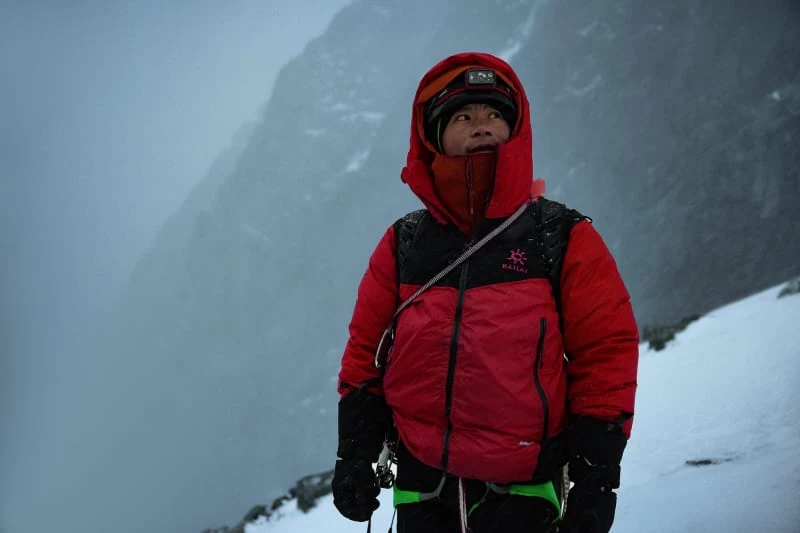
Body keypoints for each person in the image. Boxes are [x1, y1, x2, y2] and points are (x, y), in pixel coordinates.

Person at [331, 51, 639, 533]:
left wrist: (596, 480)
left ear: (514, 129)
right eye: (463, 117)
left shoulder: (559, 236)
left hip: (523, 490)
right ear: (434, 136)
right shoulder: (404, 243)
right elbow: (366, 353)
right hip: (421, 487)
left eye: (495, 114)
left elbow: (605, 353)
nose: (482, 126)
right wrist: (354, 454)